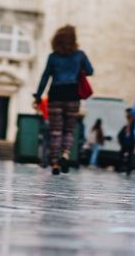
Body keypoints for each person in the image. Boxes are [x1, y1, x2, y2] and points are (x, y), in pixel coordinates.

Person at [34, 24, 94, 174]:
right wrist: (78, 68)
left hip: (56, 94)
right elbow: (90, 71)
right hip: (73, 95)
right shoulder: (80, 55)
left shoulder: (53, 57)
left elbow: (45, 77)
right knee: (69, 130)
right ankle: (65, 155)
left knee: (55, 131)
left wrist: (38, 96)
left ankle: (55, 163)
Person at [117, 108, 134, 174]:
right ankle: (121, 168)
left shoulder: (133, 122)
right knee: (122, 155)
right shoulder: (127, 122)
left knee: (130, 156)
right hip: (125, 141)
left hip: (130, 141)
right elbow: (122, 132)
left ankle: (128, 170)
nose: (126, 115)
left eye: (128, 113)